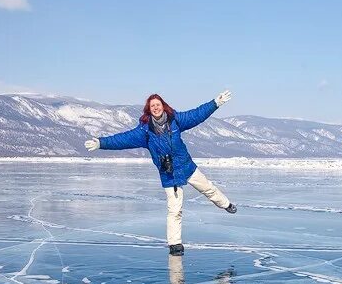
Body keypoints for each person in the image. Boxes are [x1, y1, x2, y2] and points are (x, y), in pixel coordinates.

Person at [85, 91, 237, 255]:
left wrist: (215, 103)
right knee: (174, 210)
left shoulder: (176, 120)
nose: (156, 108)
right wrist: (101, 143)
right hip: (169, 173)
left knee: (209, 189)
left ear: (163, 106)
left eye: (158, 104)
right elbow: (122, 139)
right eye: (152, 106)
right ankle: (175, 244)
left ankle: (226, 204)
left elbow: (197, 115)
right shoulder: (144, 132)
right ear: (148, 110)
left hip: (186, 166)